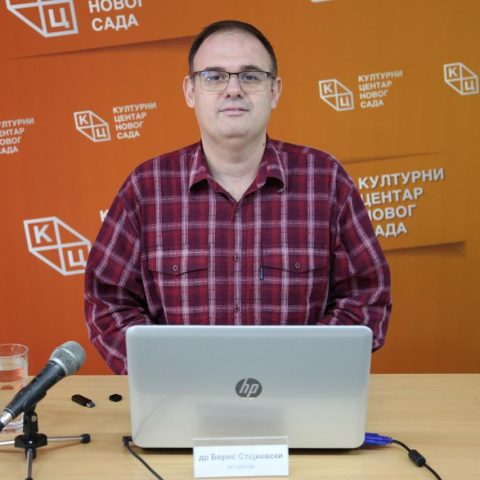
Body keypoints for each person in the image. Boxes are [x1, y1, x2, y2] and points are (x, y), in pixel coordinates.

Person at [84, 20, 392, 374]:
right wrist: (170, 374)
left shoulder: (325, 179)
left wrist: (302, 370)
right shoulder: (146, 187)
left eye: (250, 76)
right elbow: (108, 302)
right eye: (214, 76)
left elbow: (366, 297)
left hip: (299, 392)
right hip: (181, 395)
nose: (233, 89)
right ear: (190, 91)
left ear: (274, 90)